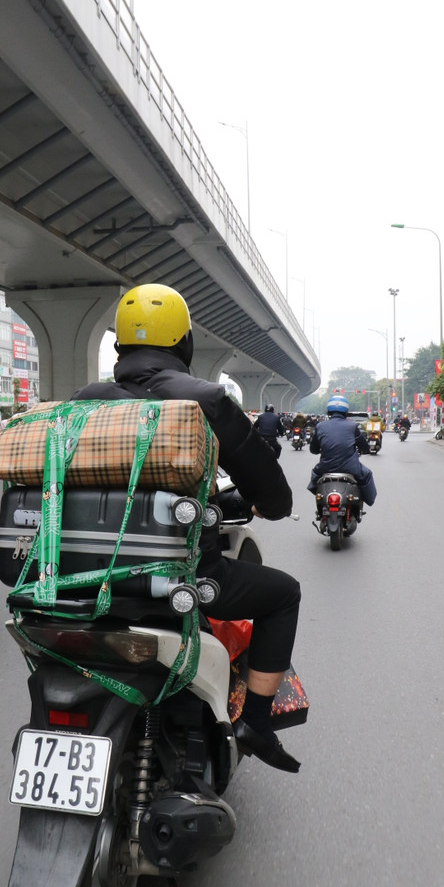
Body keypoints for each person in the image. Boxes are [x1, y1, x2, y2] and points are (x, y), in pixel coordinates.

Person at [73, 283, 302, 772]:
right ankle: (257, 722)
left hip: (85, 577)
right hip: (186, 579)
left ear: (120, 347)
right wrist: (262, 502)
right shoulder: (207, 400)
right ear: (185, 344)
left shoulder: (85, 401)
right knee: (284, 594)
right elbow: (277, 501)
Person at [307, 394, 378, 505]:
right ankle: (368, 502)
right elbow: (364, 447)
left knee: (314, 479)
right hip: (351, 469)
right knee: (367, 474)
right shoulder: (352, 426)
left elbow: (313, 449)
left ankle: (320, 505)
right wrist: (365, 450)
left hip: (325, 468)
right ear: (346, 411)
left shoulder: (320, 426)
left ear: (328, 411)